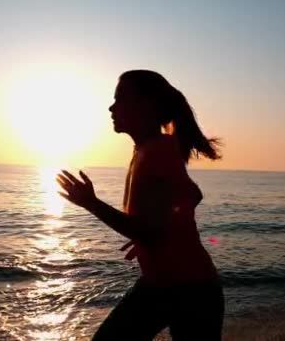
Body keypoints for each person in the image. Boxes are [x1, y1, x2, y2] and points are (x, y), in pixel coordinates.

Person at [56, 70, 224, 340]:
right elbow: (193, 194)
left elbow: (153, 230)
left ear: (146, 106)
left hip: (187, 288)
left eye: (120, 99)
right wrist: (165, 227)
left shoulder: (156, 151)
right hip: (174, 284)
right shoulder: (153, 148)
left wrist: (92, 203)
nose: (112, 107)